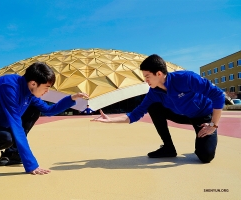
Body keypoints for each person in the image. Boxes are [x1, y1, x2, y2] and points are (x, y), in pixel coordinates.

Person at [92, 54, 224, 163]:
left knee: (205, 157)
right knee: (153, 107)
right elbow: (135, 114)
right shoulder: (154, 93)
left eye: (147, 76)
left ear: (159, 73)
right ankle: (168, 148)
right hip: (182, 115)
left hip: (203, 116)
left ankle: (202, 142)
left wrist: (213, 124)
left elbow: (218, 95)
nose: (146, 80)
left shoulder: (186, 78)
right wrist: (111, 120)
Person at [0, 62, 88, 175]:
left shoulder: (28, 91)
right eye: (46, 87)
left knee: (33, 111)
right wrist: (31, 165)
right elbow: (15, 124)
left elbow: (49, 110)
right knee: (6, 138)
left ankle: (13, 154)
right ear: (33, 83)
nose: (47, 92)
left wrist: (71, 99)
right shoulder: (8, 87)